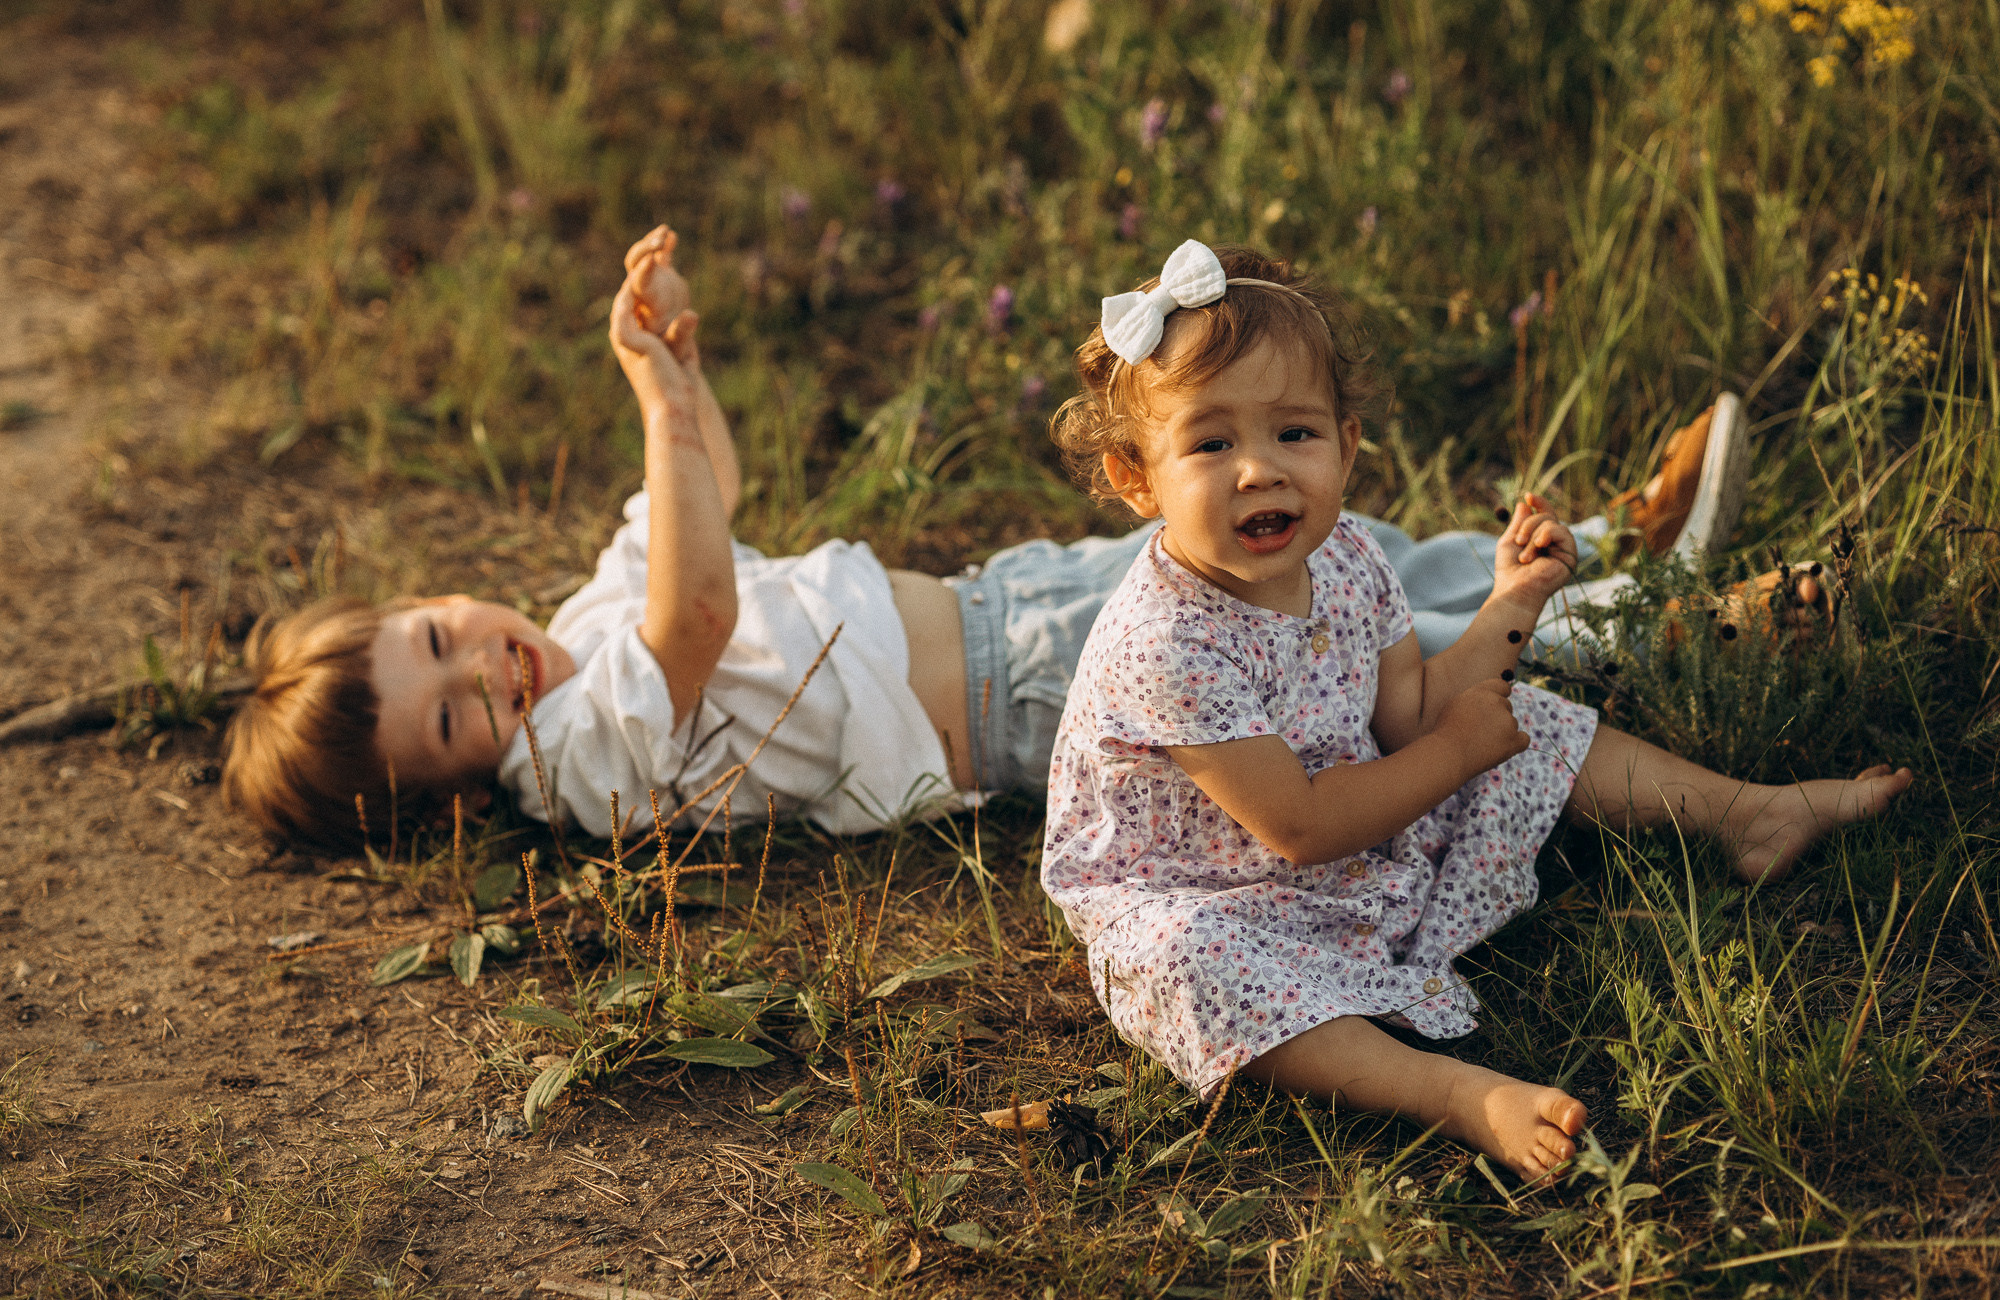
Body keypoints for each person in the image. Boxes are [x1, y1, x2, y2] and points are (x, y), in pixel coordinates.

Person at [223, 227, 1794, 848]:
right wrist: (647, 397)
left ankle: (1599, 546)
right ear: (452, 790)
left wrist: (684, 380)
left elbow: (702, 508)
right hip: (1023, 694)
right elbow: (695, 615)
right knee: (1298, 649)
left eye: (442, 637)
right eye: (451, 724)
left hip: (1002, 604)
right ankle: (1630, 621)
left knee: (1328, 553)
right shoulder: (572, 761)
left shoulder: (573, 614)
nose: (486, 674)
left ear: (437, 598)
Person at [1038, 239, 1911, 1178]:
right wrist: (1452, 756)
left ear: (1347, 443)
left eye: (1295, 434)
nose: (1260, 471)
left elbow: (1409, 715)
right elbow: (1300, 825)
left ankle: (1750, 812)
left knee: (1522, 727)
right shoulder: (1168, 642)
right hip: (1212, 889)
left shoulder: (1346, 558)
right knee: (1184, 961)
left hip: (1358, 816)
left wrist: (1512, 604)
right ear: (1138, 479)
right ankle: (1453, 1092)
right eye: (1211, 444)